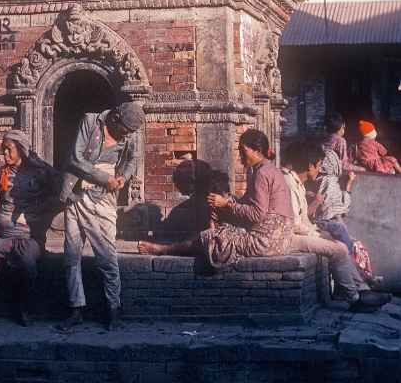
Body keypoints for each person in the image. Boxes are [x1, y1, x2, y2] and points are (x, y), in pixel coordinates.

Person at [139, 129, 294, 268]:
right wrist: (225, 204)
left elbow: (257, 214)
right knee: (221, 226)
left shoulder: (262, 173)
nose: (240, 156)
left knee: (209, 239)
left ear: (257, 150)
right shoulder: (267, 170)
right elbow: (248, 205)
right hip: (281, 240)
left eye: (243, 151)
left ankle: (163, 250)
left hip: (266, 241)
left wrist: (225, 203)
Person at [59, 101, 145, 331]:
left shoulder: (129, 135)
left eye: (130, 132)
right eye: (124, 129)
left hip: (103, 198)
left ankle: (113, 310)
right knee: (71, 256)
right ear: (115, 117)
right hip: (76, 192)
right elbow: (76, 158)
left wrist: (122, 178)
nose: (126, 134)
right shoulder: (90, 121)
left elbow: (132, 160)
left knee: (107, 256)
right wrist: (102, 177)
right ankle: (76, 308)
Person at [0, 129, 59, 326]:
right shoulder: (0, 173)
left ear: (22, 150)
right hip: (3, 237)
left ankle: (24, 309)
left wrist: (38, 215)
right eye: (3, 150)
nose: (4, 154)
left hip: (29, 238)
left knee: (27, 261)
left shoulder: (40, 172)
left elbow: (60, 195)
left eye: (9, 150)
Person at [281, 142, 389, 311]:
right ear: (309, 166)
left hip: (301, 231)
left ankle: (362, 290)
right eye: (318, 166)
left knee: (340, 245)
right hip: (290, 237)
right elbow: (295, 224)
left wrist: (317, 232)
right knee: (337, 249)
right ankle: (354, 298)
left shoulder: (297, 183)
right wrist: (315, 233)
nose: (319, 170)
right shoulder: (288, 183)